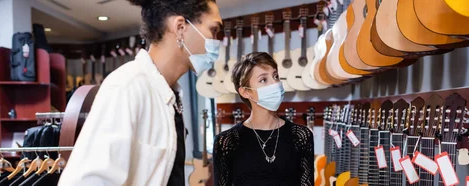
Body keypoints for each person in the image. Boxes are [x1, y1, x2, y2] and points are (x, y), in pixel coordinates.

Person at [58, 0, 222, 185]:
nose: (217, 42)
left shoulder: (171, 94)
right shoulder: (126, 86)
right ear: (181, 27)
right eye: (214, 30)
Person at [213, 52, 314, 186]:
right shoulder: (227, 141)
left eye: (275, 76)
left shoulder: (301, 136)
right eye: (263, 80)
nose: (275, 84)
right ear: (245, 92)